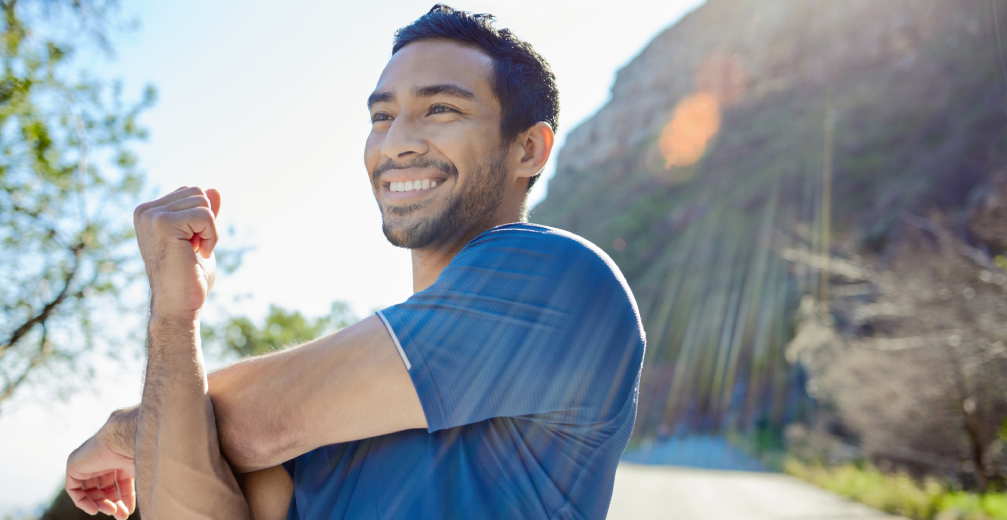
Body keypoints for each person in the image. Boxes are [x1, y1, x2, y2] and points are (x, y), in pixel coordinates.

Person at [64, 5, 645, 519]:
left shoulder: (558, 279)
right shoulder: (332, 426)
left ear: (528, 148)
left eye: (440, 108)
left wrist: (122, 432)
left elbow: (249, 423)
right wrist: (173, 315)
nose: (395, 143)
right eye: (381, 116)